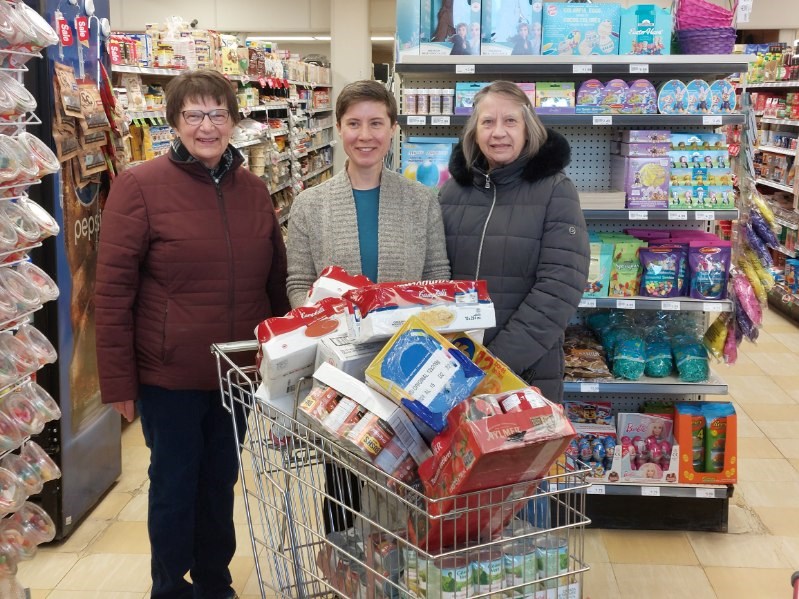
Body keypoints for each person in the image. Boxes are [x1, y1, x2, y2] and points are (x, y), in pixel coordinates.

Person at [95, 70, 290, 599]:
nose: (207, 126)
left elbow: (275, 282)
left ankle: (214, 579)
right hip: (169, 375)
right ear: (175, 121)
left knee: (220, 481)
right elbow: (111, 294)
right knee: (174, 484)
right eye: (194, 115)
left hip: (236, 375)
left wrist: (283, 363)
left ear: (234, 119)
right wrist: (118, 384)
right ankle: (170, 584)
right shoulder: (139, 187)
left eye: (218, 114)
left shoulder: (253, 189)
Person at [287, 80, 450, 533]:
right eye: (354, 123)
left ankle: (403, 572)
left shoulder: (422, 201)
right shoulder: (310, 204)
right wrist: (326, 320)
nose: (365, 135)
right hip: (341, 369)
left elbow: (438, 277)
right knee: (341, 476)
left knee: (409, 478)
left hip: (408, 366)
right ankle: (344, 566)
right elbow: (299, 282)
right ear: (339, 129)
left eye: (376, 123)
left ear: (393, 129)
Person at [438, 80, 590, 403]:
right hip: (453, 370)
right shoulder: (452, 193)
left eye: (510, 121)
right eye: (487, 122)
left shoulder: (555, 191)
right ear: (474, 131)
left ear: (527, 128)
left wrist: (491, 366)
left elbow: (559, 289)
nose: (498, 132)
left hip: (524, 375)